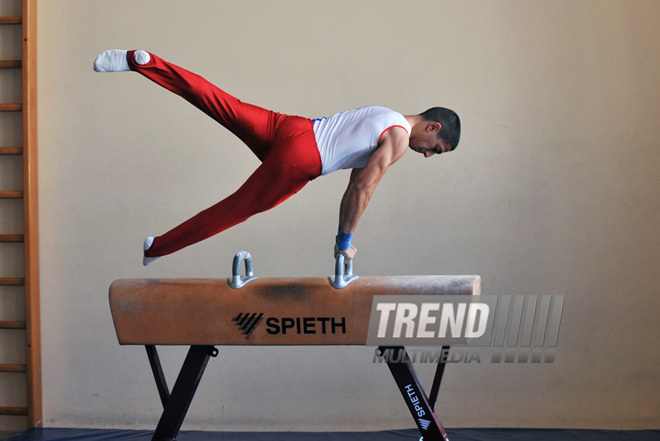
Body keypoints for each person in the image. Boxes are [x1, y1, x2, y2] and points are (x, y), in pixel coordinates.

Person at [94, 50, 461, 266]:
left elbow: (356, 175)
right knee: (236, 208)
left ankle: (143, 61)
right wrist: (344, 241)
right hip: (300, 160)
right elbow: (361, 191)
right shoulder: (398, 140)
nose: (427, 155)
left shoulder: (387, 114)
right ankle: (158, 247)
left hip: (291, 127)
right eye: (435, 148)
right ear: (432, 127)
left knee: (222, 104)